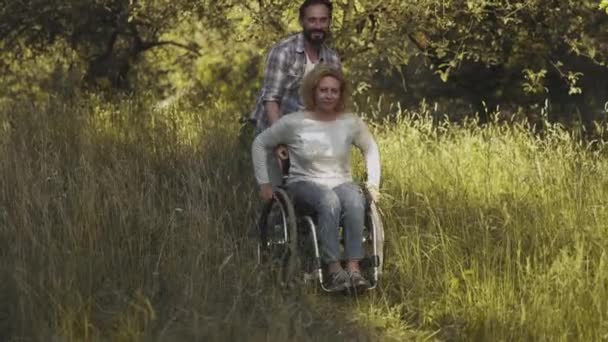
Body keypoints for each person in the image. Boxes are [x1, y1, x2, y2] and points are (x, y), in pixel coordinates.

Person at [251, 65, 381, 292]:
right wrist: (264, 183)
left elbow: (370, 149)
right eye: (323, 90)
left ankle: (353, 269)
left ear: (341, 94)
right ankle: (333, 270)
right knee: (328, 199)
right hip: (303, 185)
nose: (328, 95)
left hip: (341, 182)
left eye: (334, 91)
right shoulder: (294, 122)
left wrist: (373, 184)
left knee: (355, 199)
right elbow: (260, 143)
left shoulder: (350, 122)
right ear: (313, 92)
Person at [250, 0, 341, 186]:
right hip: (273, 131)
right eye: (312, 20)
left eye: (323, 20)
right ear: (302, 21)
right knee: (280, 196)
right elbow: (271, 100)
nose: (318, 26)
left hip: (307, 140)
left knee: (315, 196)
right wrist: (279, 142)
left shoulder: (332, 59)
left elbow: (332, 105)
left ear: (330, 22)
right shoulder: (283, 52)